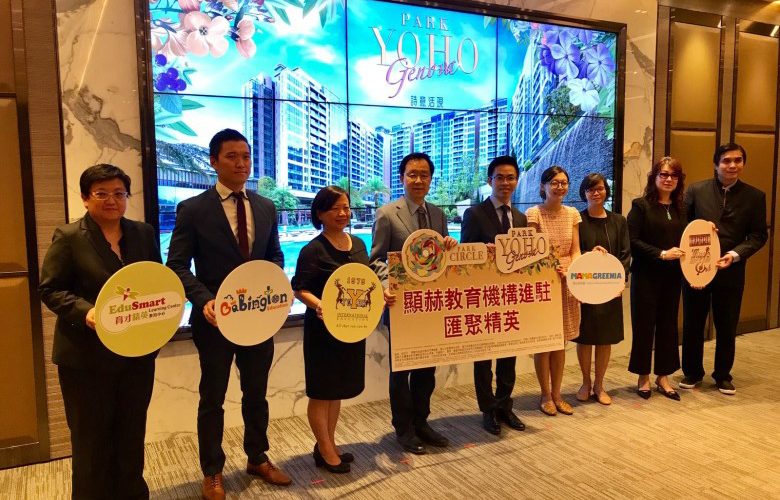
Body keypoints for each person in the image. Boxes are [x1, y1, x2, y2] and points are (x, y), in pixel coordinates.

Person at [166, 129, 291, 500]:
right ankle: (212, 471)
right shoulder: (193, 209)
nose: (241, 163)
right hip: (214, 322)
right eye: (232, 156)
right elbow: (177, 265)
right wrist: (204, 299)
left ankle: (257, 457)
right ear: (214, 161)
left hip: (257, 319)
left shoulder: (265, 207)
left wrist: (273, 286)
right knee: (213, 398)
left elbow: (275, 256)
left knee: (257, 394)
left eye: (246, 156)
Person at [39, 164, 160, 499]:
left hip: (136, 356)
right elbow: (50, 289)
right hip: (86, 359)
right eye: (101, 193)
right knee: (91, 441)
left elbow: (156, 281)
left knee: (131, 435)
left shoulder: (143, 233)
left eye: (119, 193)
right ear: (85, 198)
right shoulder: (69, 237)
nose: (112, 200)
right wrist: (88, 312)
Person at [369, 152, 457, 454]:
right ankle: (404, 430)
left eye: (424, 175)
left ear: (431, 179)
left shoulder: (438, 214)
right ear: (402, 178)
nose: (418, 180)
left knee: (426, 370)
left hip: (430, 305)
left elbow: (440, 259)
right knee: (401, 371)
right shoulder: (386, 214)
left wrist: (450, 246)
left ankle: (422, 423)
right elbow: (376, 260)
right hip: (401, 307)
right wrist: (385, 285)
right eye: (412, 174)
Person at [292, 186, 370, 474]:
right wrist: (320, 305)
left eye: (346, 207)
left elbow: (367, 281)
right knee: (321, 391)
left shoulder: (358, 244)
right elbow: (299, 289)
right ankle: (324, 450)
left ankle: (328, 443)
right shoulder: (312, 250)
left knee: (336, 390)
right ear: (320, 213)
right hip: (323, 331)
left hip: (351, 328)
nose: (342, 213)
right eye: (335, 208)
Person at [680, 143, 768, 395]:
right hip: (696, 268)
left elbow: (758, 235)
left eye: (737, 160)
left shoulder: (755, 196)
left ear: (743, 163)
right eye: (726, 161)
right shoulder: (696, 190)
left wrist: (734, 255)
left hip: (731, 270)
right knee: (693, 322)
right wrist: (699, 227)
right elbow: (682, 226)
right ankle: (692, 372)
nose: (732, 165)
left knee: (727, 325)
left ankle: (722, 375)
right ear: (716, 164)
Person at [460, 156, 527, 435]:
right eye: (500, 177)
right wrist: (483, 253)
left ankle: (505, 406)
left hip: (510, 297)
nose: (505, 182)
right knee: (484, 358)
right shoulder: (474, 214)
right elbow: (463, 256)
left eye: (510, 177)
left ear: (516, 181)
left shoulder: (521, 218)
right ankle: (488, 409)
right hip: (484, 299)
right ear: (490, 181)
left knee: (509, 356)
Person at [626, 157, 686, 401]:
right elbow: (632, 241)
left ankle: (663, 376)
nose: (668, 179)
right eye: (663, 174)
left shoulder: (682, 208)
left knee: (668, 326)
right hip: (646, 276)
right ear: (654, 177)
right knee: (644, 326)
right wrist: (661, 254)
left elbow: (690, 238)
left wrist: (708, 231)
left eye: (673, 175)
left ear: (679, 180)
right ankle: (643, 377)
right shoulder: (641, 206)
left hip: (673, 276)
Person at [526, 166, 581, 416]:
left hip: (567, 281)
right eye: (554, 183)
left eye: (563, 182)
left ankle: (558, 394)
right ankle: (545, 395)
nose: (560, 187)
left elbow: (575, 250)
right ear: (543, 186)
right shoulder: (533, 214)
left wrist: (572, 270)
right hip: (543, 283)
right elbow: (530, 252)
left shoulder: (573, 214)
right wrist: (550, 267)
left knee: (560, 341)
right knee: (544, 342)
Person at [574, 173, 630, 406]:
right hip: (586, 288)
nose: (596, 193)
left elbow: (625, 254)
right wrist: (589, 255)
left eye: (600, 188)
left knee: (604, 338)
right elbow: (574, 253)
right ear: (584, 193)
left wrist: (620, 282)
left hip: (610, 289)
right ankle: (585, 382)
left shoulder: (619, 221)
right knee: (585, 337)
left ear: (606, 191)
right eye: (591, 189)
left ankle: (599, 384)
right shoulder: (577, 220)